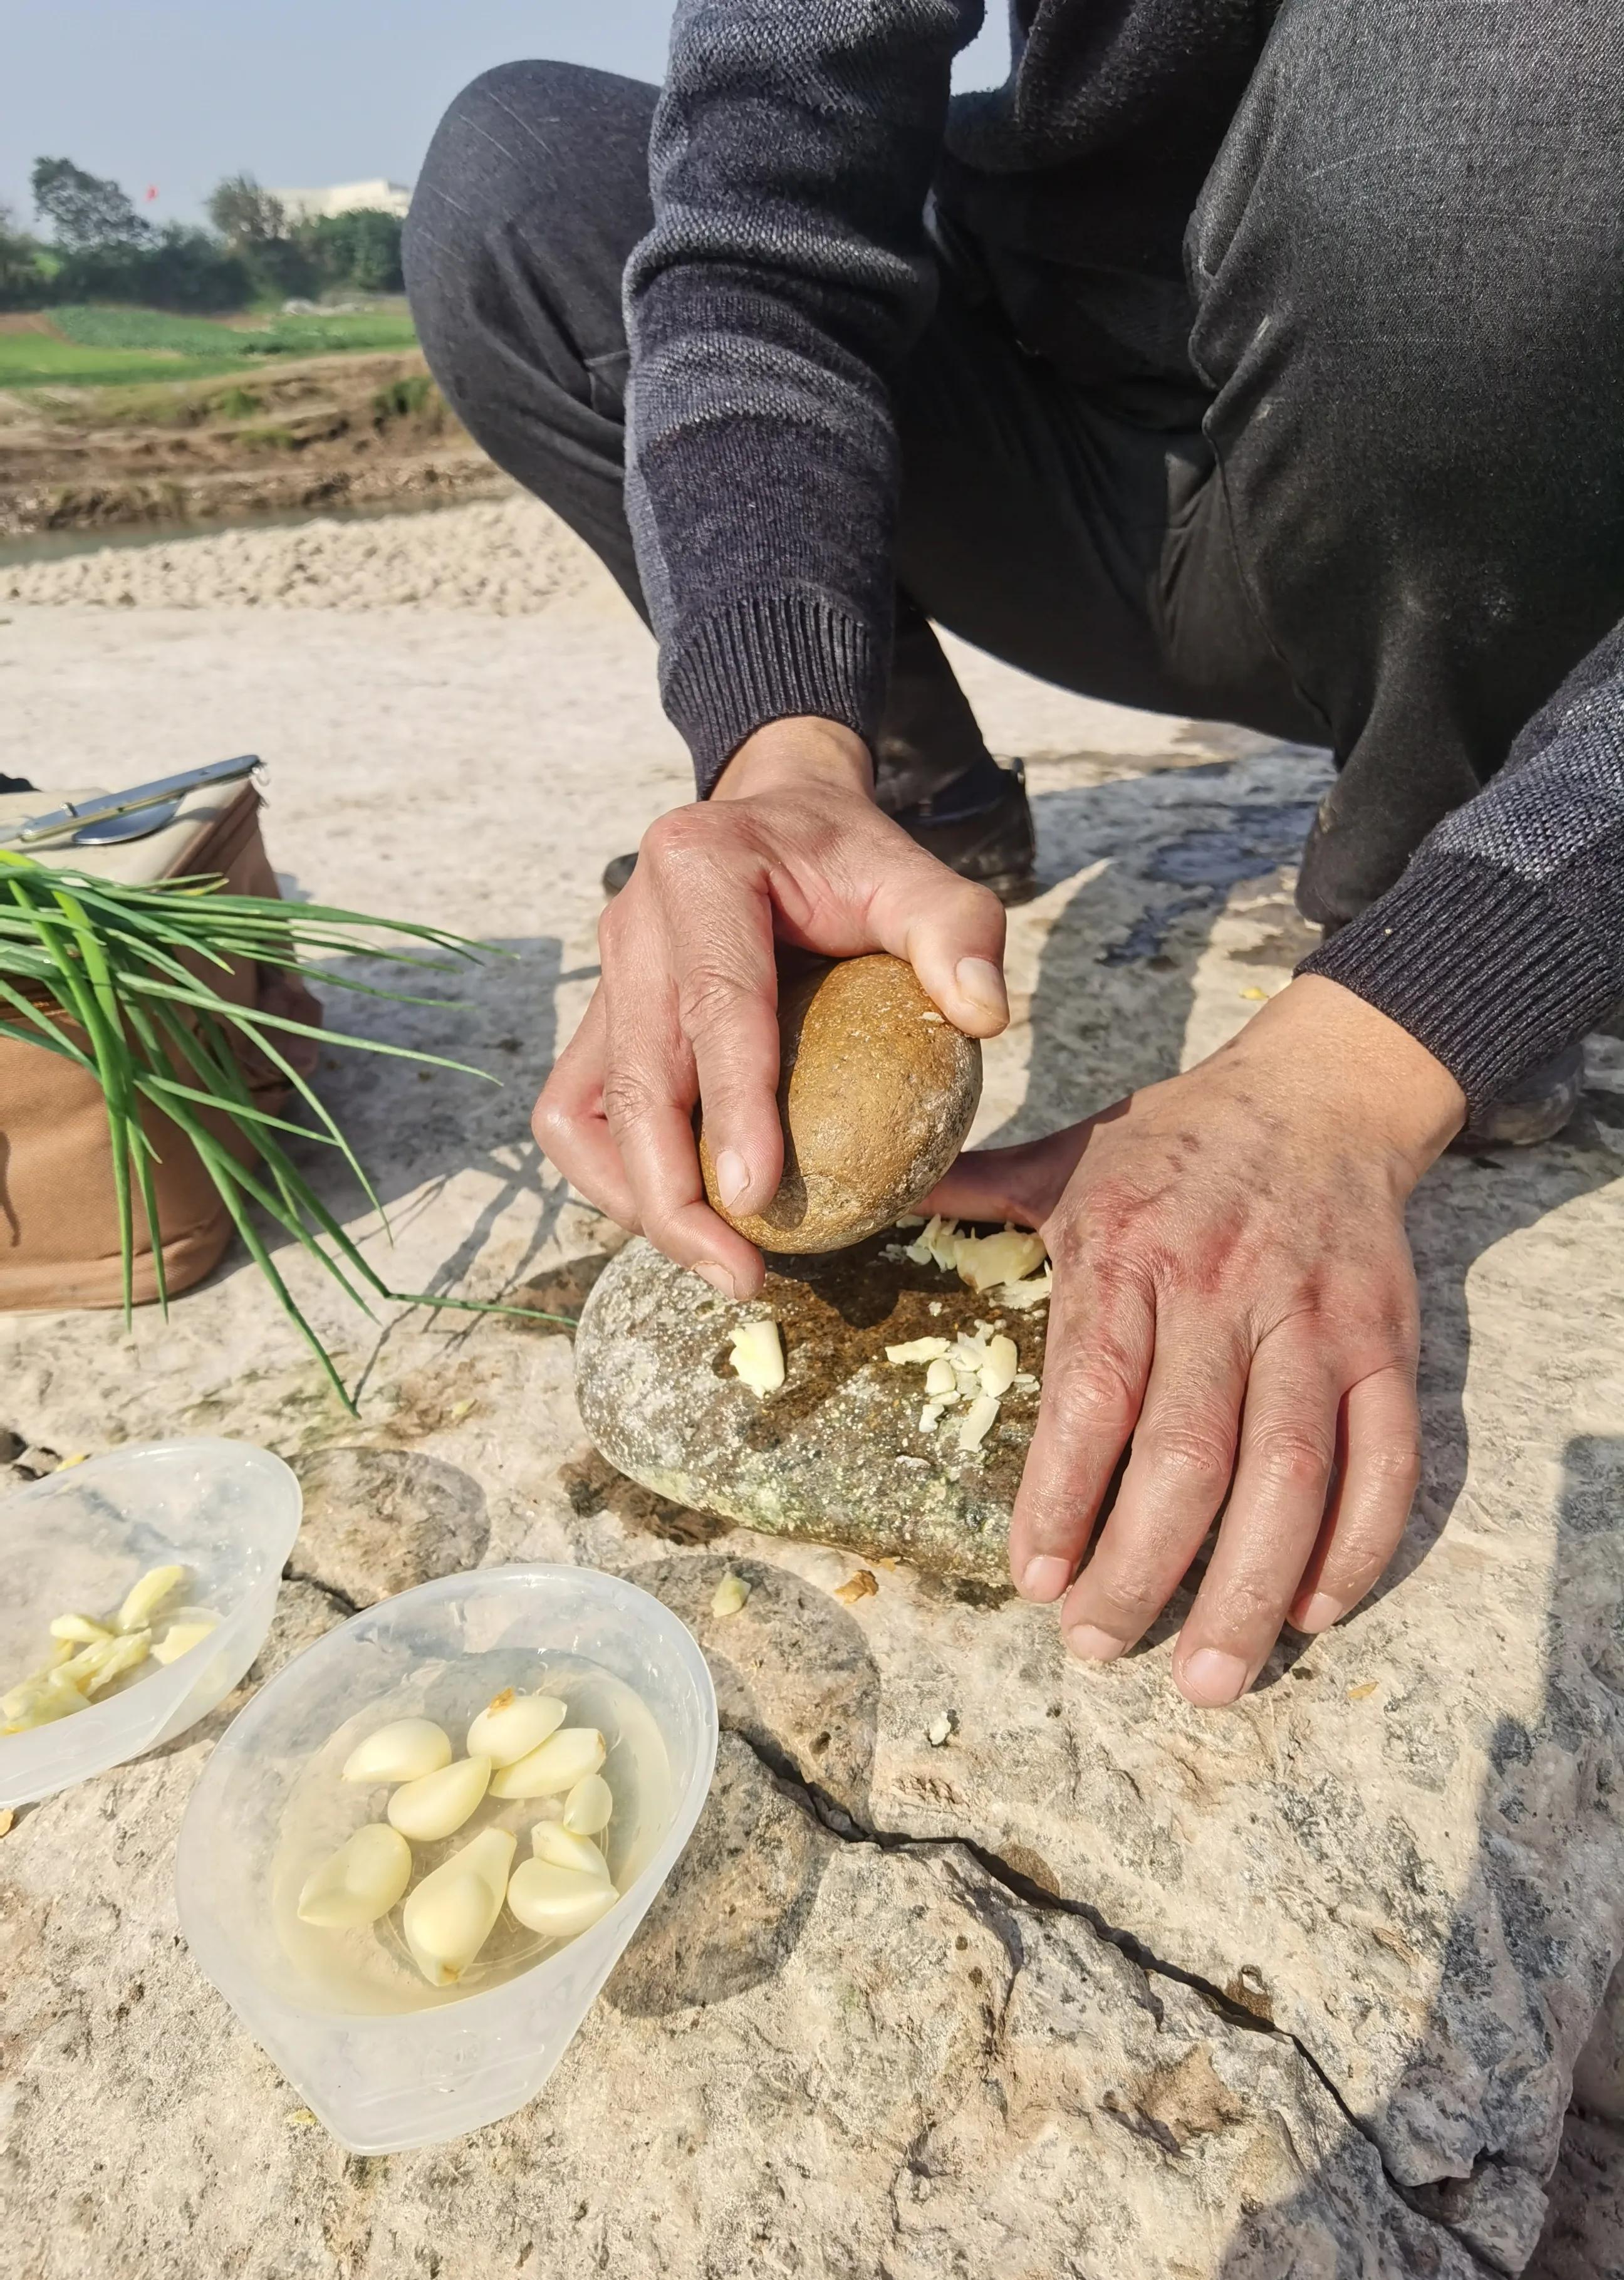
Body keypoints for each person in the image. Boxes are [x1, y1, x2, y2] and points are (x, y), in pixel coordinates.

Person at [403, 3, 1624, 1708]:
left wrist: (1381, 1049)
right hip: (1093, 445)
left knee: (1510, 89)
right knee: (523, 178)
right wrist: (776, 751)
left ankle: (1429, 843)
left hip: (1510, 453)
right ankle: (899, 792)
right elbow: (764, 239)